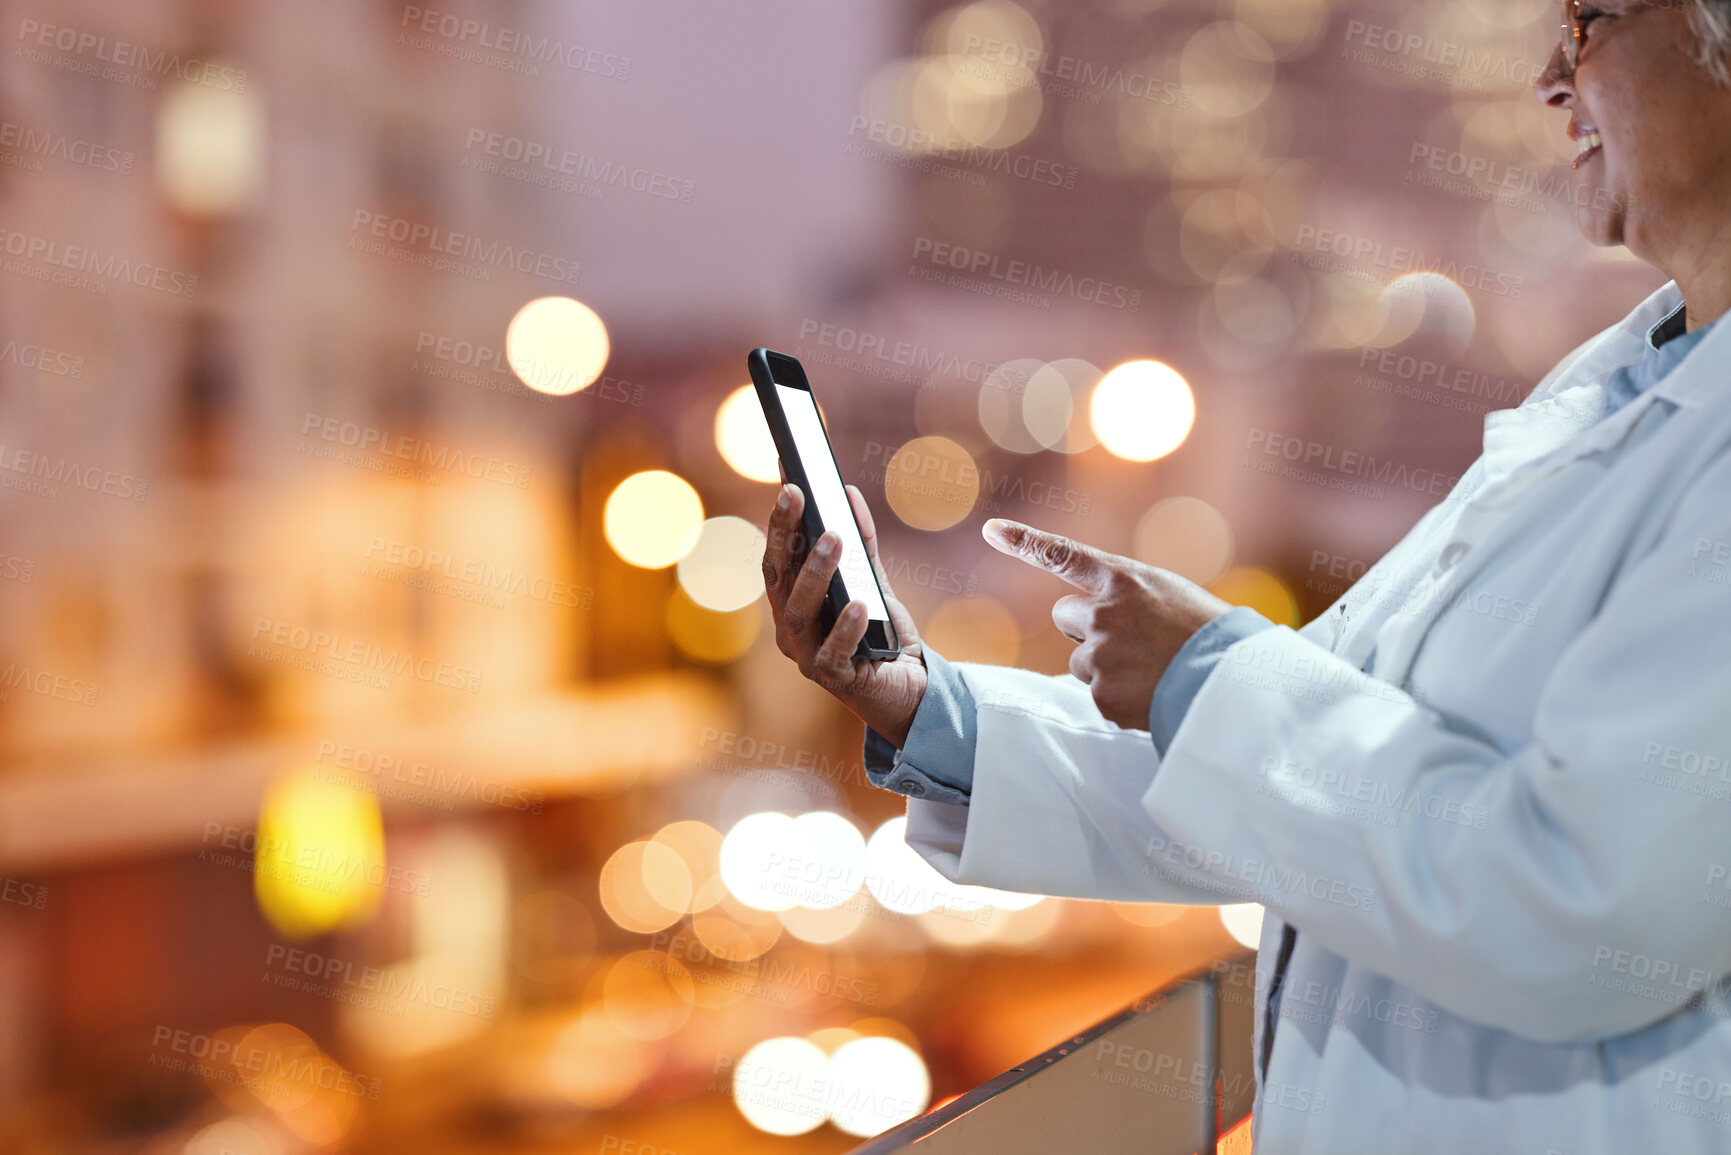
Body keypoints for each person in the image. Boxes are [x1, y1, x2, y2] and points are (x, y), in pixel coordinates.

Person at [763, 1, 1731, 1150]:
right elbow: (1296, 786)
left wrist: (1209, 674)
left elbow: (1577, 908)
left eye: (1595, 19)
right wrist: (932, 707)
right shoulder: (1618, 388)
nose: (1550, 77)